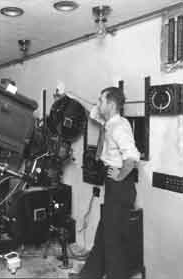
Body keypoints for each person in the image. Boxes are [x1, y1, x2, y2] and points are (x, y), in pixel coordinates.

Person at [68, 87, 140, 279]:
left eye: (101, 101)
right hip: (114, 186)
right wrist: (72, 96)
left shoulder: (119, 126)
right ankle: (90, 275)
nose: (98, 104)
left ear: (111, 104)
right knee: (104, 234)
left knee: (113, 240)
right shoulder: (109, 123)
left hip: (120, 187)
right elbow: (91, 110)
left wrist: (119, 175)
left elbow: (132, 157)